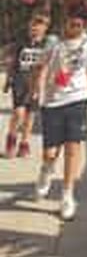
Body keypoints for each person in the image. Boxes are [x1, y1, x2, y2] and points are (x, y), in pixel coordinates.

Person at [35, 3, 87, 220]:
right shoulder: (53, 43)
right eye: (74, 22)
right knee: (51, 152)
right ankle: (46, 169)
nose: (77, 26)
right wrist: (38, 91)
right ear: (67, 20)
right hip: (53, 101)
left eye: (81, 24)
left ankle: (67, 194)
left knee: (73, 147)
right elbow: (41, 68)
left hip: (78, 99)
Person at [4, 12, 50, 158]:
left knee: (30, 115)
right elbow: (12, 63)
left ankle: (24, 144)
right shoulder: (21, 42)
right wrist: (8, 80)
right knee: (18, 113)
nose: (35, 29)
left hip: (35, 84)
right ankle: (11, 138)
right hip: (20, 81)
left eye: (39, 26)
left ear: (45, 28)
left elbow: (48, 66)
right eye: (33, 26)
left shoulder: (46, 45)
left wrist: (44, 85)